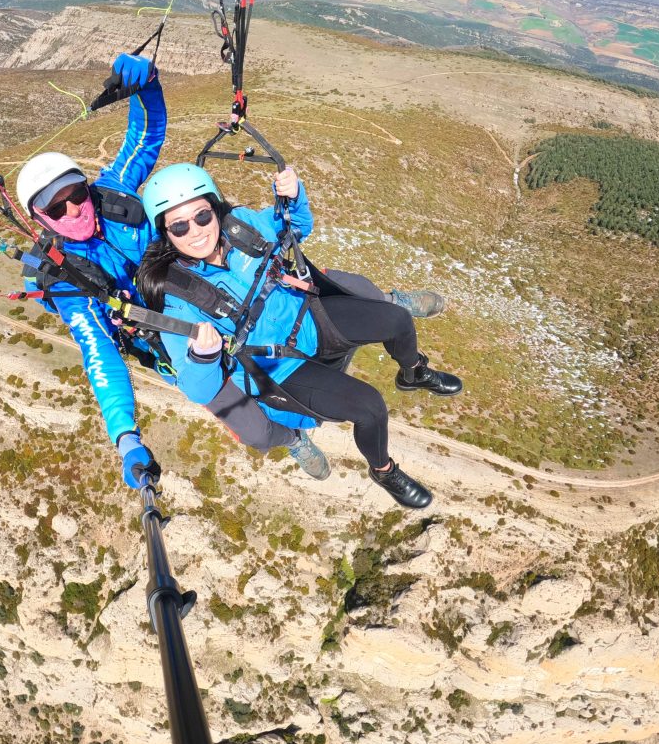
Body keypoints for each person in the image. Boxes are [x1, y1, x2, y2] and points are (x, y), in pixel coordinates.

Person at [13, 53, 332, 487]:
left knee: (297, 321)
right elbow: (99, 357)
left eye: (76, 193)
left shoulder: (113, 194)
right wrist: (126, 437)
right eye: (56, 206)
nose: (73, 207)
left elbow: (144, 138)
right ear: (40, 218)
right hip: (173, 338)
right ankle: (292, 439)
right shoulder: (67, 281)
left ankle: (380, 317)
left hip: (208, 284)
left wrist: (146, 86)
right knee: (254, 426)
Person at [137, 162, 464, 509]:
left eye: (201, 216)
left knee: (397, 319)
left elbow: (297, 227)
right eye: (179, 225)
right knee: (370, 408)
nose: (195, 231)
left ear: (215, 209)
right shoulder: (176, 298)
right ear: (166, 233)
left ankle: (412, 373)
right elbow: (198, 387)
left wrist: (294, 196)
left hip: (309, 319)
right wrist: (203, 357)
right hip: (280, 368)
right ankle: (383, 470)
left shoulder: (243, 226)